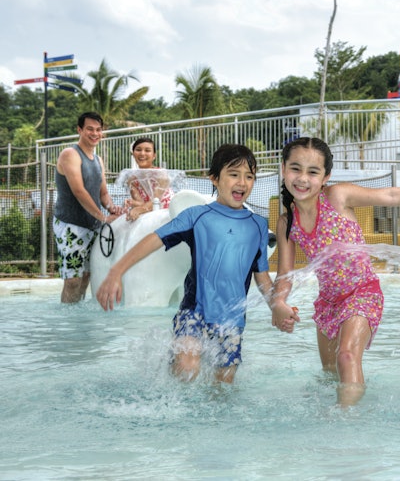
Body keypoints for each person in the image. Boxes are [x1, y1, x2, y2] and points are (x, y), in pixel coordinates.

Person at [271, 137, 400, 406]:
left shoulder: (336, 197)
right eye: (295, 168)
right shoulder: (286, 222)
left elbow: (391, 195)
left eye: (313, 172)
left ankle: (345, 423)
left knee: (346, 356)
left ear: (325, 177)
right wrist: (279, 303)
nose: (302, 178)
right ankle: (333, 414)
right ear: (283, 169)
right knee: (330, 374)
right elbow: (284, 274)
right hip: (328, 302)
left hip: (363, 292)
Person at [96, 144, 273, 384]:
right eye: (233, 174)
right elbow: (154, 239)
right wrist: (117, 270)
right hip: (194, 311)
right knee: (187, 366)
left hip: (232, 321)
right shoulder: (196, 215)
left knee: (222, 386)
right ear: (214, 178)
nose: (242, 182)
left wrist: (278, 305)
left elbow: (261, 276)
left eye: (249, 176)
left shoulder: (258, 225)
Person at [53, 111, 122, 304]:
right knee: (73, 280)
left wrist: (112, 208)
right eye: (89, 129)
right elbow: (79, 191)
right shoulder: (70, 154)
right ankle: (67, 319)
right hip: (70, 225)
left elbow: (103, 194)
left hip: (92, 225)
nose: (95, 133)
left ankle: (78, 320)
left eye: (98, 130)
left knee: (86, 277)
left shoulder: (98, 160)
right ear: (79, 130)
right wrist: (103, 218)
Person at [124, 137, 175, 221]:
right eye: (138, 150)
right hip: (149, 216)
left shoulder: (161, 174)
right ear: (133, 154)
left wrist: (139, 209)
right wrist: (132, 203)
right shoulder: (132, 180)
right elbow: (142, 204)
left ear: (154, 155)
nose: (142, 153)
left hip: (168, 214)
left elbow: (156, 202)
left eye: (147, 150)